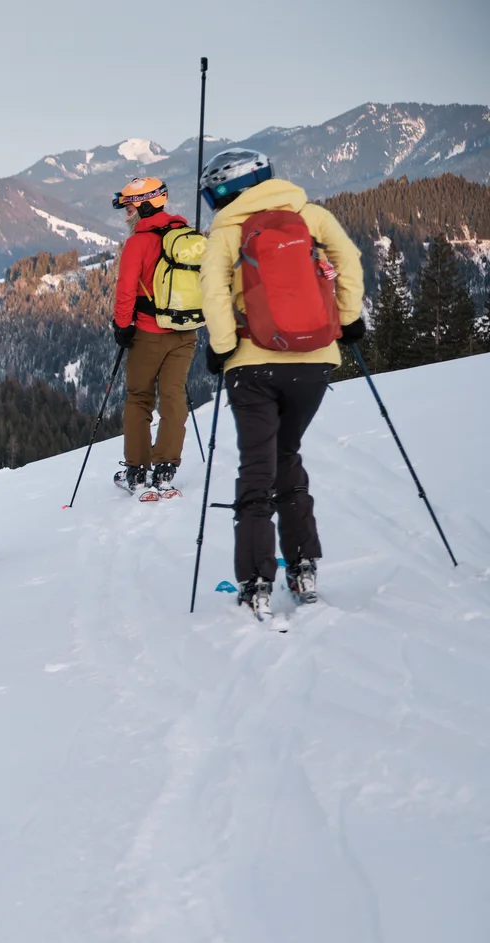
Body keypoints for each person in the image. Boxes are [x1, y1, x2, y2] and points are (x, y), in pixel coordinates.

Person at [196, 148, 364, 620]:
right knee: (286, 454)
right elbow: (348, 261)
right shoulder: (310, 215)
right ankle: (303, 565)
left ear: (224, 191)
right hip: (314, 363)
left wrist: (222, 346)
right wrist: (348, 319)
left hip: (252, 365)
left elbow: (212, 290)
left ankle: (256, 582)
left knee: (257, 468)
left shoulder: (226, 231)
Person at [111, 176, 198, 497]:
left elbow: (126, 290)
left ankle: (137, 472)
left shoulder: (138, 243)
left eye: (129, 209)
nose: (127, 217)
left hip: (149, 332)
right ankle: (165, 470)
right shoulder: (186, 235)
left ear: (144, 206)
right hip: (185, 331)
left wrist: (123, 326)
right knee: (173, 397)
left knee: (139, 398)